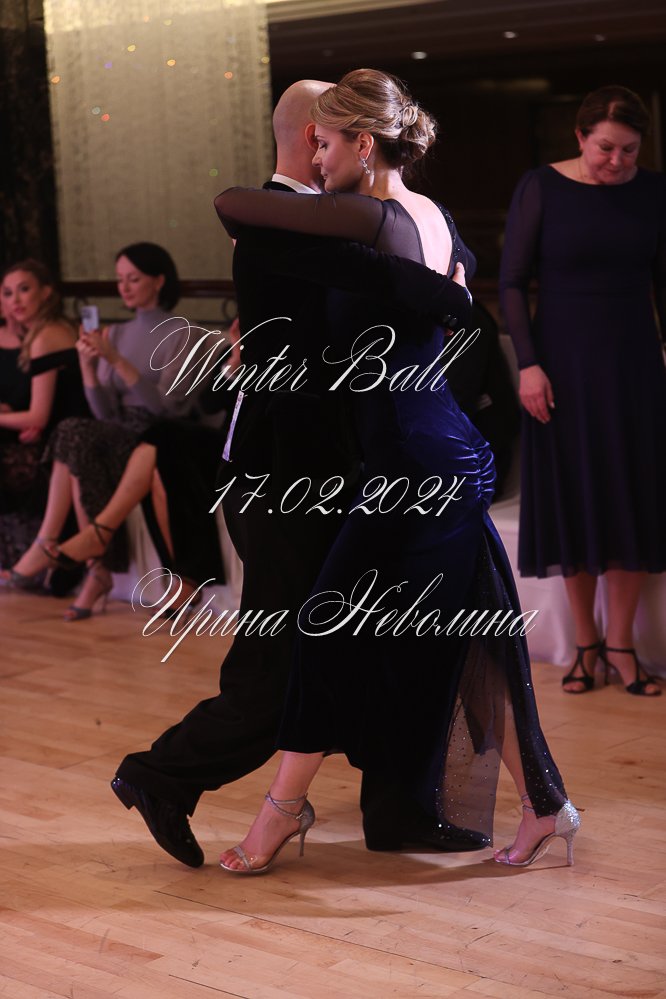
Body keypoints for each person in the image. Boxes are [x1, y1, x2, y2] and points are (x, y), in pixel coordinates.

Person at [213, 68, 579, 875]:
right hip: (440, 450)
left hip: (413, 465)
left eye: (325, 144)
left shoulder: (371, 215)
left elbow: (232, 204)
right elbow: (443, 294)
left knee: (323, 633)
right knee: (478, 635)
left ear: (362, 143)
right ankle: (545, 802)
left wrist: (441, 300)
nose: (315, 160)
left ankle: (279, 813)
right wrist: (445, 297)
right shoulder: (432, 214)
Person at [110, 78, 475, 869]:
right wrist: (448, 294)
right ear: (318, 135)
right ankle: (163, 774)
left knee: (362, 637)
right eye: (333, 125)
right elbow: (377, 279)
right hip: (282, 477)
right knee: (282, 663)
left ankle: (397, 805)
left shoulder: (325, 213)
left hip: (328, 471)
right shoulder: (280, 221)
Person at [500, 85, 665, 697]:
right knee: (576, 498)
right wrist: (528, 365)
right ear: (579, 137)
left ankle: (621, 645)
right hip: (560, 368)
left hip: (634, 368)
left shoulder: (655, 191)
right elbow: (512, 282)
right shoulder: (541, 186)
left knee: (629, 498)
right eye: (605, 148)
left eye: (629, 150)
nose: (617, 160)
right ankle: (585, 644)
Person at [1, 242, 192, 618]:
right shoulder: (115, 333)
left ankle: (70, 555)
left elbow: (163, 408)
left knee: (73, 434)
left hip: (158, 434)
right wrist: (89, 369)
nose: (124, 287)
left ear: (158, 281)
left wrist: (116, 361)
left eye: (133, 279)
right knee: (74, 433)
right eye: (120, 280)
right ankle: (87, 564)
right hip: (116, 430)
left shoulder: (181, 333)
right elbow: (105, 412)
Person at [0, 260, 88, 569]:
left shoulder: (46, 336)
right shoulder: (47, 330)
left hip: (71, 438)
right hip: (58, 433)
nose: (16, 300)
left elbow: (38, 416)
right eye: (8, 293)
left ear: (46, 292)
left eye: (24, 289)